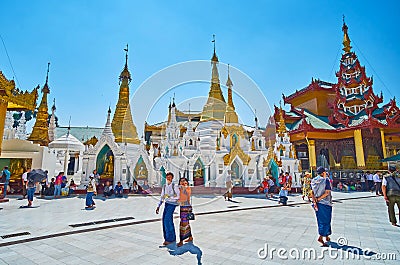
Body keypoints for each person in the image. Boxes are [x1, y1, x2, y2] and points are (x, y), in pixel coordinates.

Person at [155, 172, 180, 246]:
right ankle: (169, 238)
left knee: (167, 220)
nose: (168, 178)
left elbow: (178, 196)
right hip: (167, 204)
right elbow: (162, 196)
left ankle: (170, 239)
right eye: (167, 177)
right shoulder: (165, 186)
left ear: (172, 178)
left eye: (170, 177)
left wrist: (170, 197)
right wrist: (158, 206)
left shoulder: (174, 186)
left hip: (172, 204)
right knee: (165, 220)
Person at [311, 167, 332, 247]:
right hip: (325, 203)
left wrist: (315, 201)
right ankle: (321, 237)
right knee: (326, 220)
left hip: (317, 203)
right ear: (323, 173)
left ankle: (326, 235)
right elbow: (327, 192)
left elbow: (311, 192)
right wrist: (319, 199)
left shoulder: (313, 181)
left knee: (321, 219)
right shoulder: (325, 180)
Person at [177, 177, 193, 247]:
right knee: (186, 223)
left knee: (183, 224)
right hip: (182, 207)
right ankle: (190, 237)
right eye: (181, 181)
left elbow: (187, 194)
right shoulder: (179, 189)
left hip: (186, 208)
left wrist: (184, 186)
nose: (183, 182)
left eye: (184, 181)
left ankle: (181, 241)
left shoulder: (187, 188)